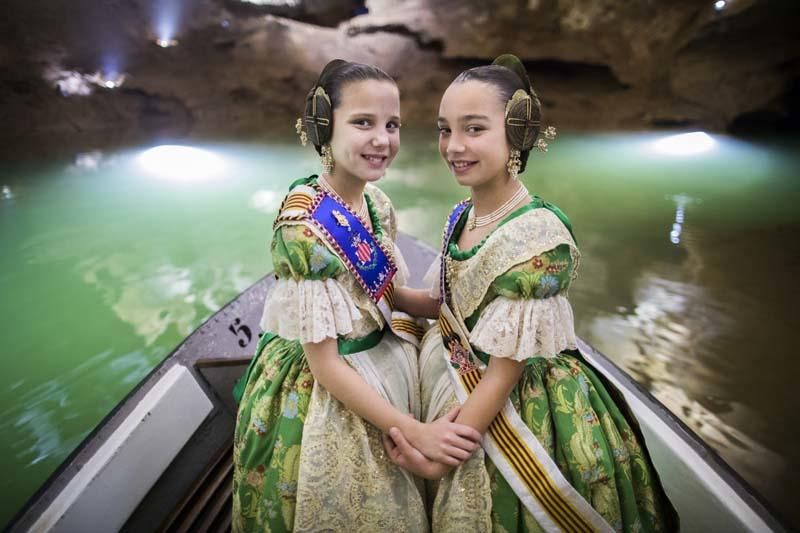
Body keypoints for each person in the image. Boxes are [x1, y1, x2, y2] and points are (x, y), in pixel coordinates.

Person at [387, 55, 676, 532]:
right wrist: (385, 292)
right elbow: (445, 303)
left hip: (517, 404)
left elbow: (505, 369)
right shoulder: (464, 214)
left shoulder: (539, 236)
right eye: (445, 129)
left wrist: (445, 452)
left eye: (474, 129)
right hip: (461, 376)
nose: (453, 146)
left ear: (516, 135)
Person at [231, 59, 481, 533]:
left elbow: (384, 296)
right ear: (325, 128)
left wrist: (444, 304)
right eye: (363, 123)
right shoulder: (305, 229)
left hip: (382, 361)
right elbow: (326, 366)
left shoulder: (373, 202)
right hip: (328, 386)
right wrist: (415, 431)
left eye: (392, 125)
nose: (382, 140)